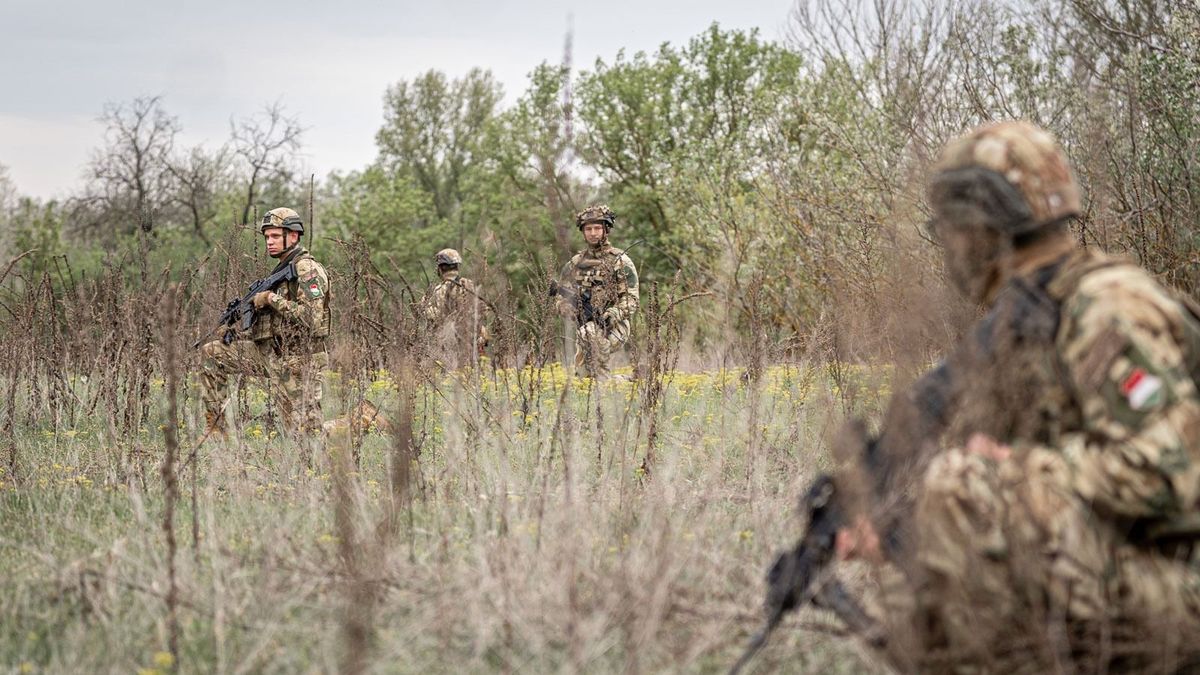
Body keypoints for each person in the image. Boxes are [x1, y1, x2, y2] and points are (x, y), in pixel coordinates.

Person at [835, 121, 1200, 671]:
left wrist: (1015, 474)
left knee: (961, 490)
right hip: (1139, 566)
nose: (948, 247)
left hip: (1182, 579)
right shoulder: (1027, 316)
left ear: (984, 224)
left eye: (950, 229)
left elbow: (1171, 473)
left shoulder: (1106, 307)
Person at [200, 207, 331, 439]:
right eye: (266, 237)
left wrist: (271, 298)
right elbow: (273, 326)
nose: (269, 242)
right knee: (212, 353)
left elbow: (312, 319)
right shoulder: (278, 273)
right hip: (269, 354)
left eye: (275, 236)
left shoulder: (307, 269)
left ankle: (361, 420)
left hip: (299, 359)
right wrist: (234, 331)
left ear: (293, 236)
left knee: (308, 435)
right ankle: (216, 431)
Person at [555, 205, 639, 378]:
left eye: (597, 228)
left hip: (616, 325)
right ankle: (624, 384)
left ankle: (602, 390)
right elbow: (560, 298)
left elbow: (632, 299)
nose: (593, 233)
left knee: (591, 338)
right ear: (583, 232)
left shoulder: (620, 261)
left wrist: (614, 313)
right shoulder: (574, 264)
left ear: (606, 230)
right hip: (584, 326)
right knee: (584, 375)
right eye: (588, 229)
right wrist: (565, 308)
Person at [419, 248, 488, 367]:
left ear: (440, 268)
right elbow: (483, 311)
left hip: (452, 344)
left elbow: (438, 317)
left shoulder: (440, 290)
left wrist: (424, 307)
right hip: (475, 341)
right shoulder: (469, 284)